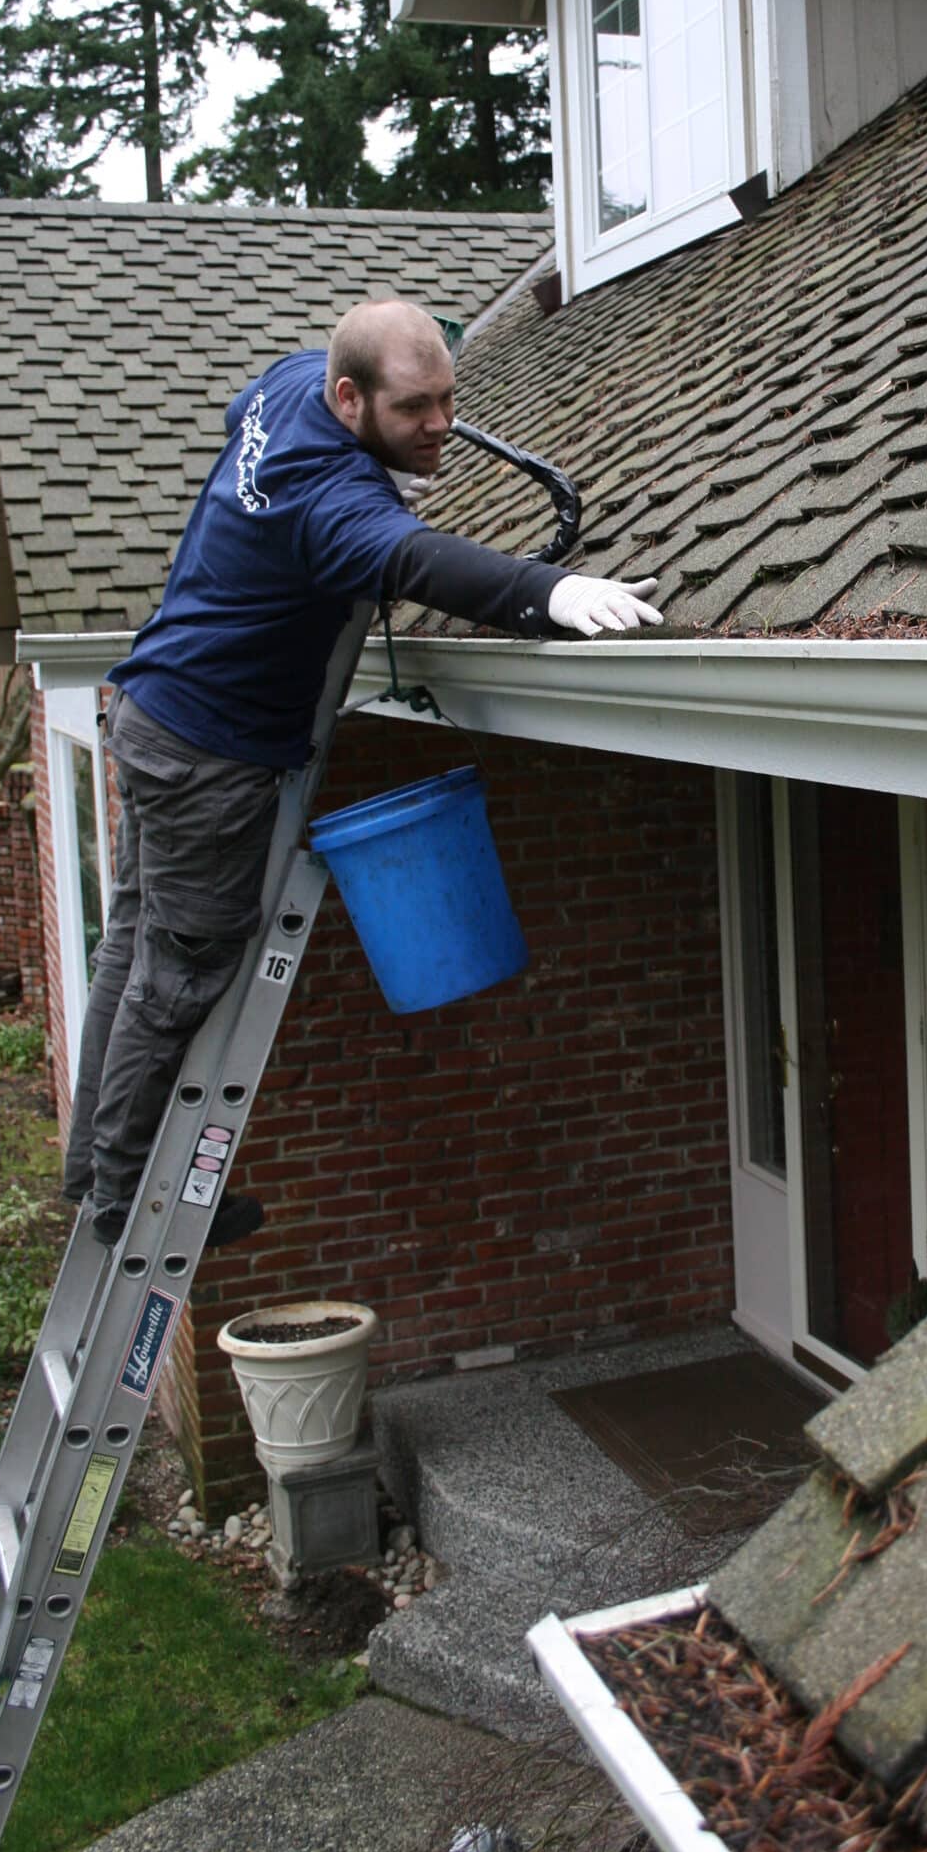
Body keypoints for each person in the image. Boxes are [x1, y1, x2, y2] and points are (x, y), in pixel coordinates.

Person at [62, 295, 661, 1250]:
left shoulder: (290, 384)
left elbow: (246, 414)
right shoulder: (332, 502)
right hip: (206, 755)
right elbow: (418, 559)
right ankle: (126, 1197)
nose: (442, 430)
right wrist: (550, 588)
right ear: (350, 398)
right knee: (181, 974)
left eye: (447, 402)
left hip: (154, 707)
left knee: (134, 954)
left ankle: (94, 1173)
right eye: (415, 410)